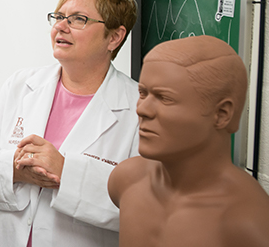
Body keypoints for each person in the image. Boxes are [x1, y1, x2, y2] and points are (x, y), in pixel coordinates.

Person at [0, 0, 139, 247]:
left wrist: (66, 173)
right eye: (59, 16)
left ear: (114, 37)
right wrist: (16, 170)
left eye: (78, 19)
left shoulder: (138, 107)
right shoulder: (22, 85)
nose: (60, 27)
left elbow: (144, 206)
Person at [108, 36, 269, 247]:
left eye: (164, 98)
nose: (141, 109)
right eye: (143, 93)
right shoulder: (126, 180)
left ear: (222, 114)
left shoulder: (248, 221)